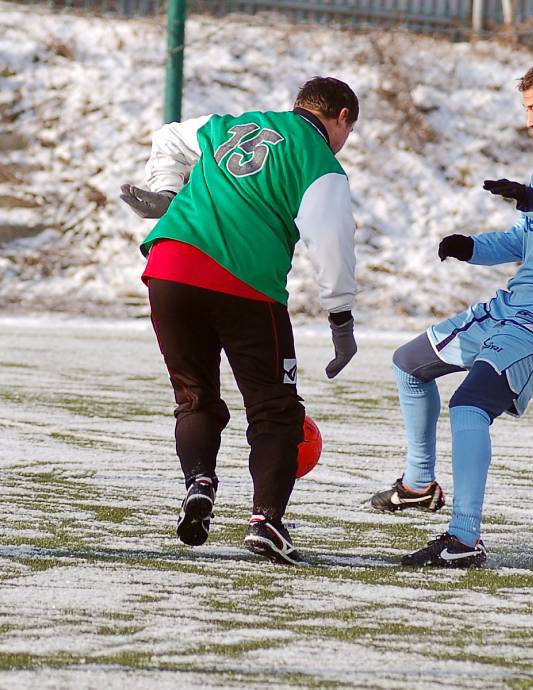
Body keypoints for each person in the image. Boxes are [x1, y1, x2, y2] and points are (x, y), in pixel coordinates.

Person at [370, 55, 533, 568]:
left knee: (470, 406)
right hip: (512, 306)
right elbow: (530, 237)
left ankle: (465, 538)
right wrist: (473, 247)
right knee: (409, 363)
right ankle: (419, 484)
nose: (529, 121)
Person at [120, 76, 359, 565]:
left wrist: (167, 192)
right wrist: (340, 318)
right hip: (244, 282)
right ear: (341, 119)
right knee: (276, 409)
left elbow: (168, 137)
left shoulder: (232, 124)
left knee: (194, 396)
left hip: (169, 265)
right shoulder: (321, 162)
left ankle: (199, 483)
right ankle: (267, 522)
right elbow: (330, 244)